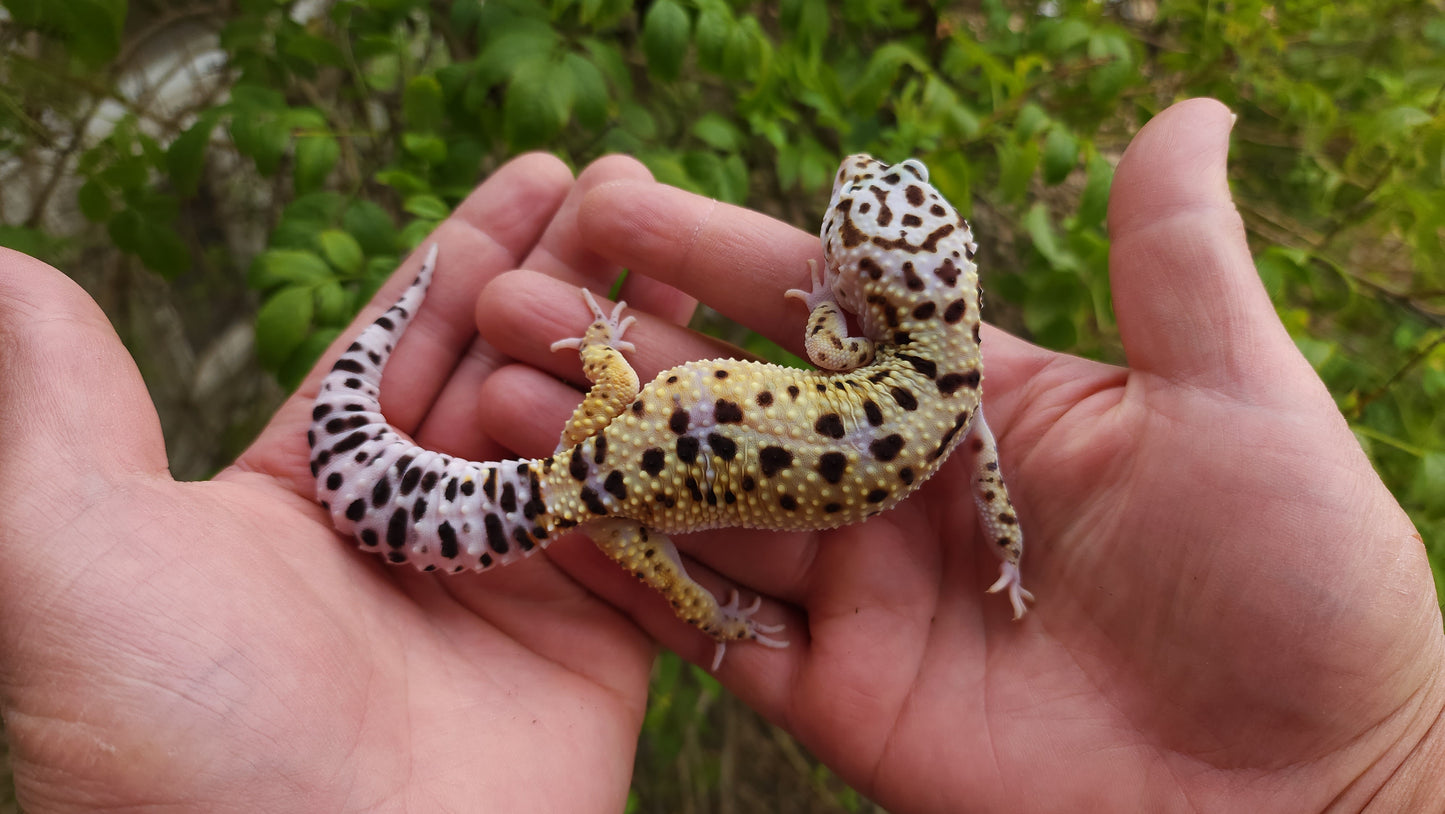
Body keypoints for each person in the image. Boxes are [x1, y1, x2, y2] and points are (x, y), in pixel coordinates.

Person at [0, 98, 1439, 812]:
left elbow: (819, 375)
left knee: (622, 484)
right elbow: (987, 490)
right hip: (603, 481)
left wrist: (691, 552)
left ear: (893, 294)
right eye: (879, 203)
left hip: (606, 457)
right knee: (645, 524)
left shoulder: (870, 373)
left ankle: (576, 423)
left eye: (873, 218)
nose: (862, 199)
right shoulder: (953, 410)